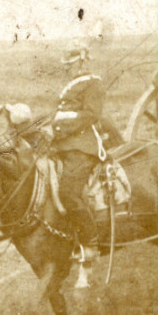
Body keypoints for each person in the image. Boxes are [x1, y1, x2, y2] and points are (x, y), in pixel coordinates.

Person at [49, 55, 120, 265]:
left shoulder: (93, 83)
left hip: (83, 147)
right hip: (63, 145)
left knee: (68, 192)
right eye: (65, 65)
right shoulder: (70, 86)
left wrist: (60, 128)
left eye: (70, 64)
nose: (67, 69)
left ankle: (90, 243)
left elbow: (91, 114)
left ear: (82, 62)